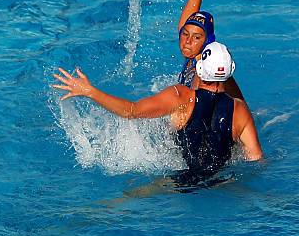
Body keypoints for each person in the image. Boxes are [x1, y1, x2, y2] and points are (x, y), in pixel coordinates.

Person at [53, 41, 263, 171]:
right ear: (230, 71)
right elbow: (255, 159)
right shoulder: (240, 110)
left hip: (181, 183)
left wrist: (91, 91)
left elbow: (131, 111)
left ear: (199, 68)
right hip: (220, 182)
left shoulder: (181, 96)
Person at [177, 0, 244, 100]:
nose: (187, 41)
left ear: (207, 41)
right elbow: (185, 26)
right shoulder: (196, 56)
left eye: (196, 37)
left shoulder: (210, 72)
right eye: (185, 34)